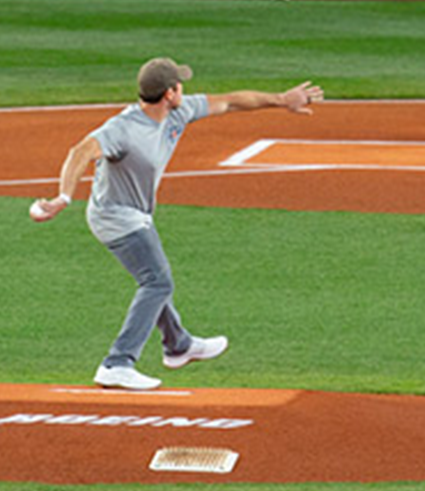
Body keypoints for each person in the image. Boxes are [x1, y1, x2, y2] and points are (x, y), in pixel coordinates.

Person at [31, 57, 324, 390]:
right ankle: (118, 362)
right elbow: (80, 151)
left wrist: (282, 100)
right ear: (170, 93)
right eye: (180, 83)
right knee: (157, 282)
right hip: (114, 216)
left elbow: (230, 101)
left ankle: (179, 345)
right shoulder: (123, 128)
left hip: (135, 215)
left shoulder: (178, 111)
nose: (185, 88)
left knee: (152, 279)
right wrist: (63, 197)